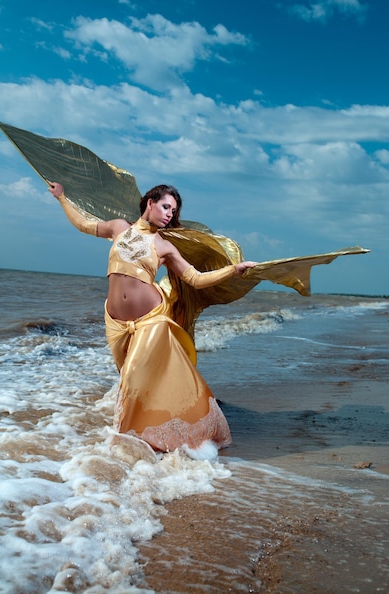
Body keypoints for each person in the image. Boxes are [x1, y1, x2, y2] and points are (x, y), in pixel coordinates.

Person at [49, 181, 257, 456]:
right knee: (131, 380)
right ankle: (148, 437)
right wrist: (62, 197)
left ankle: (122, 447)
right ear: (150, 203)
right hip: (115, 323)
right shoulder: (118, 228)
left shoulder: (164, 246)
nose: (170, 213)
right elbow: (83, 224)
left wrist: (234, 270)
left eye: (174, 210)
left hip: (152, 320)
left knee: (132, 379)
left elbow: (195, 278)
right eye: (166, 206)